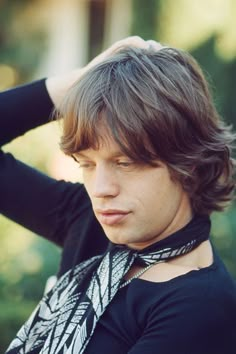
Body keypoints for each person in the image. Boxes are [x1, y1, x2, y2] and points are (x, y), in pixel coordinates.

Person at [1, 37, 236, 354]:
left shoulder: (198, 308)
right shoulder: (88, 221)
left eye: (124, 163)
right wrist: (78, 83)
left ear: (188, 163)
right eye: (87, 164)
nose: (100, 189)